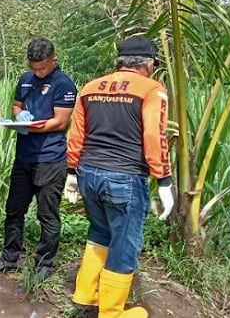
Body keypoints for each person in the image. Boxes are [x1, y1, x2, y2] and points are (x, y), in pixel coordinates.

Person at [65, 36, 174, 318]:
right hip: (124, 177)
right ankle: (111, 313)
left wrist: (71, 173)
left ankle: (85, 294)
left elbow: (77, 134)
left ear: (120, 62)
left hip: (88, 173)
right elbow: (154, 136)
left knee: (100, 232)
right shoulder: (152, 89)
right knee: (125, 243)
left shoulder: (90, 88)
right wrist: (164, 181)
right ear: (149, 64)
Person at [0, 38, 77, 281]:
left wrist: (33, 127)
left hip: (50, 158)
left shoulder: (63, 84)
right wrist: (19, 116)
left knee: (47, 213)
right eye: (34, 68)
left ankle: (44, 263)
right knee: (14, 209)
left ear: (53, 61)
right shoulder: (25, 80)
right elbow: (16, 105)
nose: (38, 72)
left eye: (42, 68)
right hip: (24, 156)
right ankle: (9, 257)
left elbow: (60, 121)